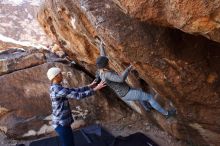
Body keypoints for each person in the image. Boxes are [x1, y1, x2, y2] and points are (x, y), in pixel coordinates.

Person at [95, 37, 176, 118]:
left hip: (125, 91)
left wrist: (101, 45)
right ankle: (167, 114)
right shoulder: (107, 74)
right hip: (127, 93)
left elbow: (103, 57)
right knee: (149, 97)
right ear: (105, 65)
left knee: (140, 92)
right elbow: (121, 79)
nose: (108, 63)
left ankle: (147, 107)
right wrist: (128, 68)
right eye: (107, 63)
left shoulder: (100, 70)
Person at [47, 67, 106, 146]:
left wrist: (90, 86)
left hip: (63, 122)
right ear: (55, 76)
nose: (62, 75)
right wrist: (95, 89)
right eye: (60, 74)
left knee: (69, 142)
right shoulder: (57, 89)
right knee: (68, 144)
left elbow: (74, 90)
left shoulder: (57, 87)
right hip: (60, 124)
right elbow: (78, 96)